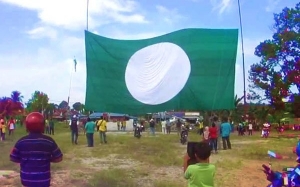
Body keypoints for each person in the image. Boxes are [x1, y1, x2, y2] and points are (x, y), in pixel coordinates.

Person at [10, 112, 63, 187]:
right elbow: (59, 158)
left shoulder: (21, 141)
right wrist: (48, 159)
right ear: (43, 126)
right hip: (43, 181)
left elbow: (12, 157)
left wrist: (24, 159)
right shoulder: (49, 141)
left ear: (27, 126)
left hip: (26, 181)